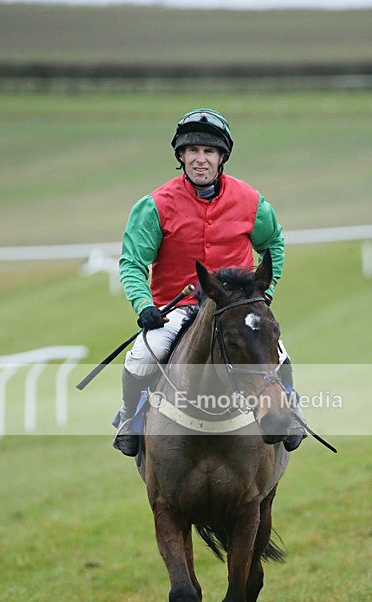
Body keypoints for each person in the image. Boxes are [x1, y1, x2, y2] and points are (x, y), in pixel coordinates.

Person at [113, 108, 305, 456]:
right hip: (178, 309)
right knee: (141, 355)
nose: (200, 160)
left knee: (278, 354)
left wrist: (264, 291)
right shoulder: (153, 206)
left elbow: (273, 243)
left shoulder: (252, 202)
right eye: (193, 151)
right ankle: (131, 420)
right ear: (181, 156)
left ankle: (290, 415)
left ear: (221, 158)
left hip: (235, 307)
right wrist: (144, 306)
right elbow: (132, 263)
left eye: (209, 152)